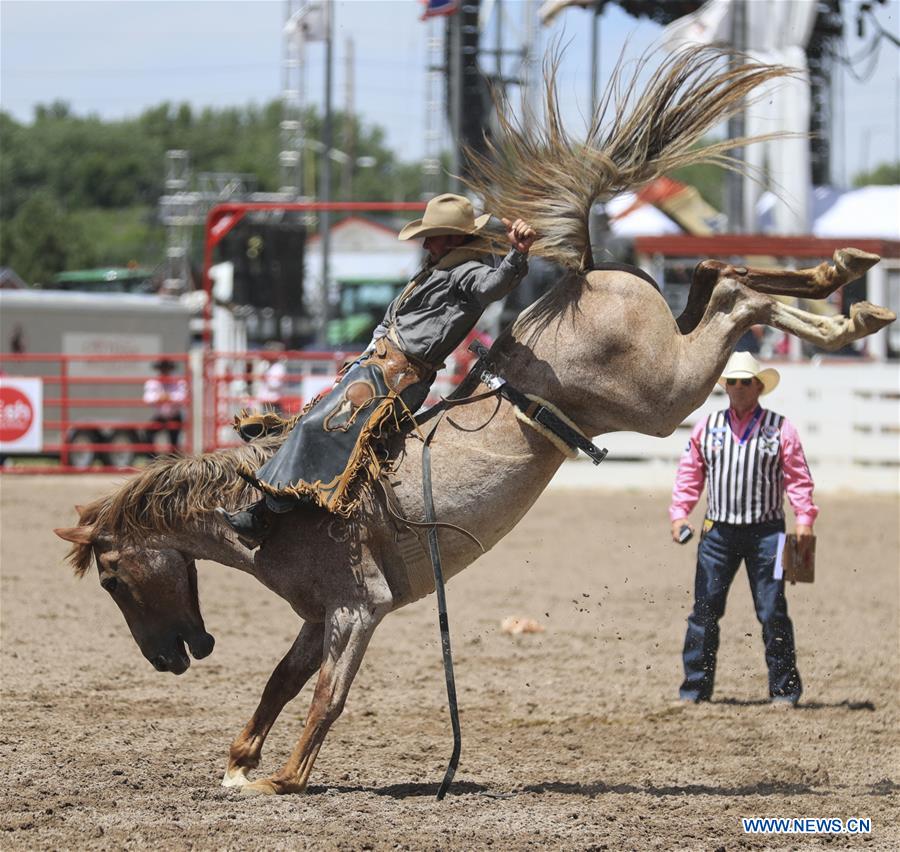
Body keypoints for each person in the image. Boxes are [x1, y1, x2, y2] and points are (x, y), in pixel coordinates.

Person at [216, 193, 536, 545]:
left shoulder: (467, 272)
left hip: (398, 379)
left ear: (456, 238)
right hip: (378, 369)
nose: (427, 242)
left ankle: (267, 512)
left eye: (435, 235)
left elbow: (494, 286)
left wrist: (517, 255)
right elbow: (391, 319)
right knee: (317, 417)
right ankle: (278, 503)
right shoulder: (437, 269)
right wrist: (368, 352)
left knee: (316, 425)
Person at [669, 351, 817, 707]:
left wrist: (804, 521)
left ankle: (784, 689)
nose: (737, 388)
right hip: (717, 532)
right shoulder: (708, 427)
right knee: (704, 611)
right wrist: (679, 513)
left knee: (772, 611)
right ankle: (695, 689)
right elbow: (690, 473)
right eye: (732, 382)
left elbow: (798, 480)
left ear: (758, 387)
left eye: (744, 382)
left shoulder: (781, 429)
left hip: (768, 534)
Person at [143, 358, 188, 453]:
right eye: (162, 369)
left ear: (170, 370)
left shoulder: (177, 382)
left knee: (174, 441)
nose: (164, 371)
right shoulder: (154, 382)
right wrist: (161, 397)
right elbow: (147, 398)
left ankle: (173, 462)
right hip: (161, 416)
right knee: (148, 433)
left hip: (174, 416)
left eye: (166, 368)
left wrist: (168, 397)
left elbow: (183, 397)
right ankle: (153, 460)